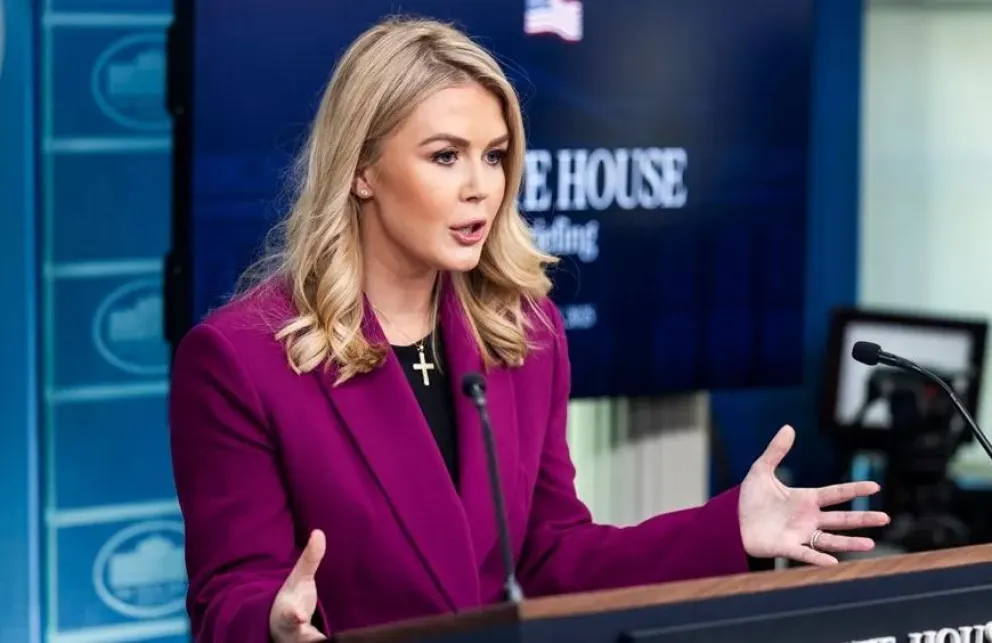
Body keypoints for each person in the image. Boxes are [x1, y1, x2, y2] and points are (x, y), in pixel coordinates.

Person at [168, 16, 890, 643]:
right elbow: (231, 591)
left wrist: (725, 526)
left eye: (494, 155)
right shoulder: (241, 360)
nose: (481, 185)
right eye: (445, 156)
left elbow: (549, 555)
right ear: (361, 169)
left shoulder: (524, 334)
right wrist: (270, 621)